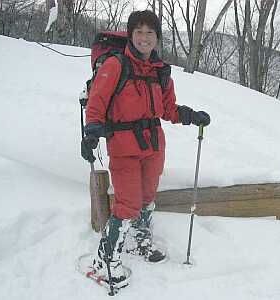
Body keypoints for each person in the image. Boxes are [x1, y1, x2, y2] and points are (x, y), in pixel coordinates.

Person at [80, 10, 210, 287]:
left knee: (147, 198)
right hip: (124, 145)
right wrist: (91, 132)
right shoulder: (116, 65)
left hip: (153, 145)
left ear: (157, 38)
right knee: (127, 203)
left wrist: (191, 115)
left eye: (150, 32)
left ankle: (140, 240)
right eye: (138, 31)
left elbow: (167, 109)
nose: (144, 37)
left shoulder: (160, 71)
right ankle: (104, 260)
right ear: (130, 35)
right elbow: (97, 103)